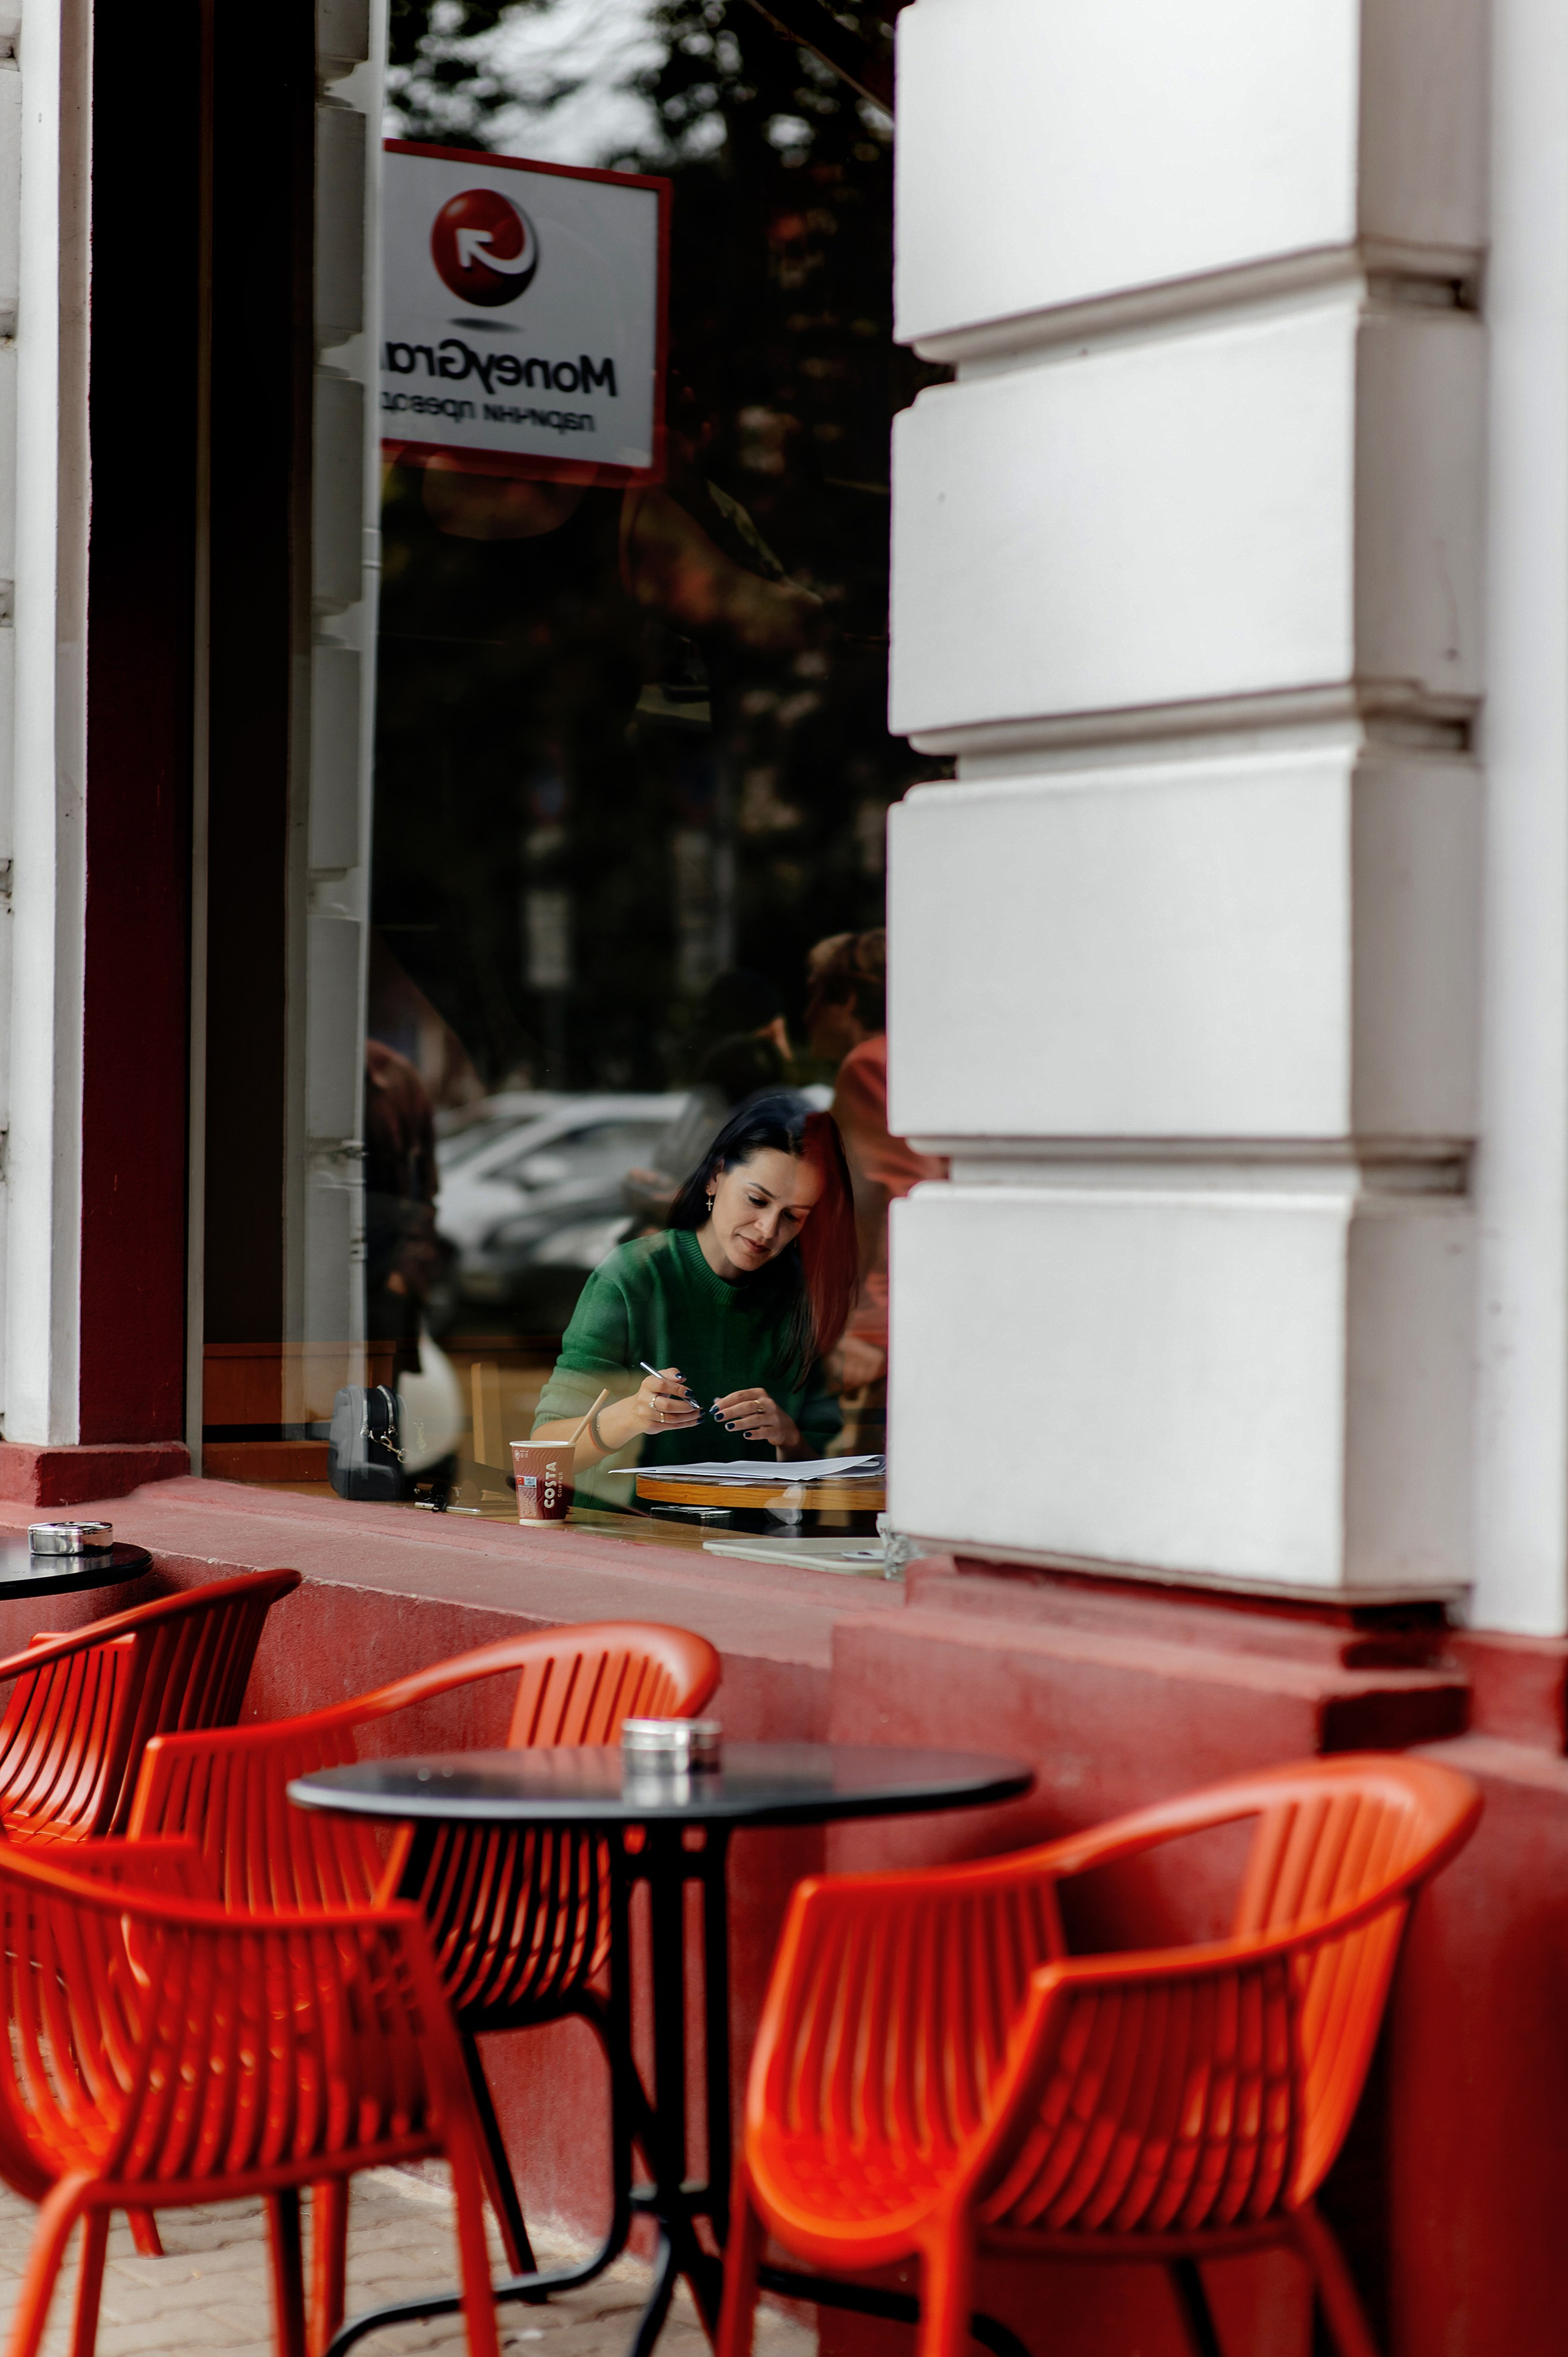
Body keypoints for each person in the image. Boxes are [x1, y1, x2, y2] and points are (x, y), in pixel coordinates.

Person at [532, 1093, 858, 1506]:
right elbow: (540, 1456)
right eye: (757, 1200)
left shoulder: (804, 1297)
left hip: (749, 1545)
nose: (767, 1229)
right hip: (627, 1536)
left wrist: (788, 1437)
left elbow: (827, 1487)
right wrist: (632, 1415)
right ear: (715, 1177)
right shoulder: (635, 1275)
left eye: (793, 1216)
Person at [805, 929, 946, 1395]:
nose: (805, 1014)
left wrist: (865, 1331)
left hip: (882, 1349)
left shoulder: (871, 1066)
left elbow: (897, 1201)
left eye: (815, 995)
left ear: (846, 1001)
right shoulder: (920, 1061)